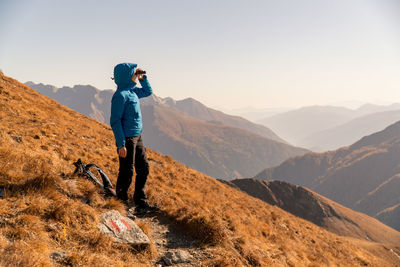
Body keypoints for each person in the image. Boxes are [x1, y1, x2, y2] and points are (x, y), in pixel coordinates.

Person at [110, 62, 156, 212]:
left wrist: (142, 78)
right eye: (133, 73)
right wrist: (120, 144)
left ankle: (140, 201)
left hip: (137, 136)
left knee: (143, 168)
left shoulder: (133, 92)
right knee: (127, 171)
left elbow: (148, 91)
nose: (135, 76)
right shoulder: (120, 96)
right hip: (127, 140)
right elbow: (115, 121)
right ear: (127, 76)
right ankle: (121, 203)